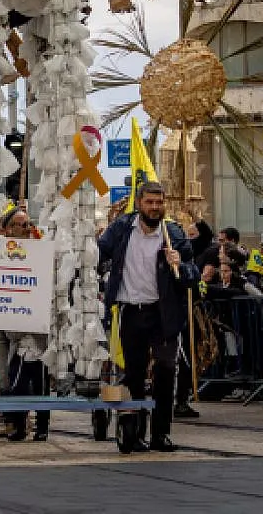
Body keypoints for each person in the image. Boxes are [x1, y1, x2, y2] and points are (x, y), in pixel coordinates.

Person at [97, 181, 198, 452]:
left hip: (163, 313)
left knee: (166, 372)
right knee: (134, 375)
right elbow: (98, 253)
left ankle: (161, 433)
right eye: (150, 202)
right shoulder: (121, 229)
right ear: (139, 203)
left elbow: (193, 276)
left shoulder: (173, 234)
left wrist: (180, 265)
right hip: (132, 311)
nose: (155, 208)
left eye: (159, 202)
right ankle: (136, 433)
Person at [0, 207, 49, 441]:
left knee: (40, 381)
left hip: (37, 331)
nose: (27, 229)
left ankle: (42, 426)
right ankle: (14, 423)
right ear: (8, 230)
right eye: (21, 225)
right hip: (9, 328)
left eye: (29, 224)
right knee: (9, 377)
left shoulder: (40, 252)